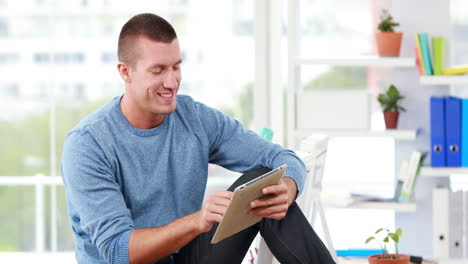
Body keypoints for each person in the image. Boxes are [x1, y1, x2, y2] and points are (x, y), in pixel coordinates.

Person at [61, 13, 335, 264]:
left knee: (265, 183)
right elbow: (118, 251)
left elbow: (283, 158)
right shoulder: (88, 144)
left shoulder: (194, 118)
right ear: (125, 72)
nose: (171, 82)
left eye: (176, 67)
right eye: (158, 71)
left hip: (186, 257)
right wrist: (198, 221)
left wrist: (287, 188)